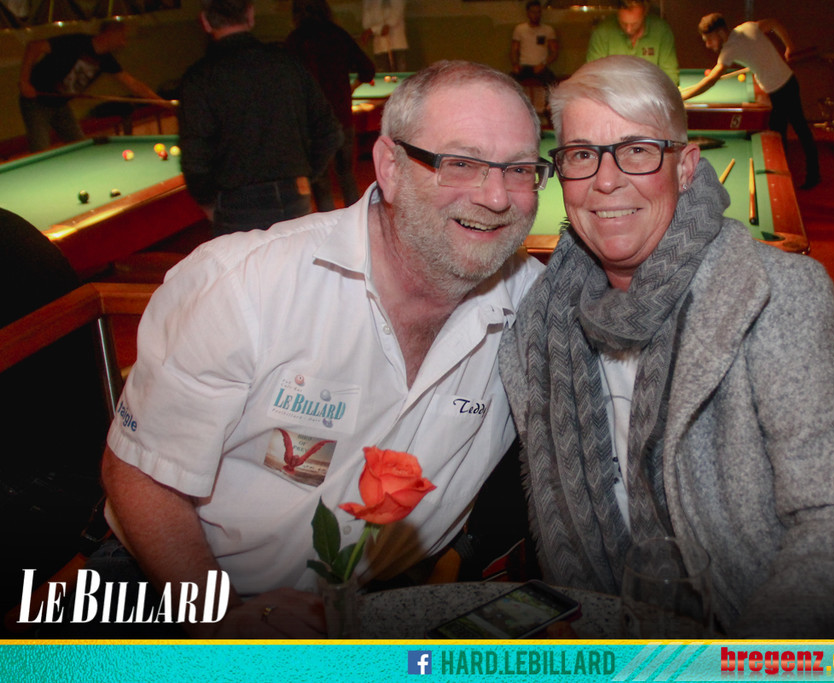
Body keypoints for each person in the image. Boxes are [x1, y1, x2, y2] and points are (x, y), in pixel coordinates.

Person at [498, 55, 834, 639]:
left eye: (637, 150)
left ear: (685, 167)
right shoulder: (540, 320)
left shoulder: (777, 295)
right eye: (581, 154)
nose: (605, 180)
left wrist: (746, 664)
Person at [98, 60, 547, 638]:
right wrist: (225, 622)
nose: (497, 196)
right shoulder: (244, 285)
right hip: (177, 586)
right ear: (389, 167)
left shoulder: (539, 311)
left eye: (520, 170)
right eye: (460, 163)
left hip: (368, 609)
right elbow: (140, 477)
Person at [177, 0, 340, 236]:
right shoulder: (288, 64)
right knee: (297, 260)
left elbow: (195, 157)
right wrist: (305, 173)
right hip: (293, 194)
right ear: (251, 15)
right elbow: (330, 131)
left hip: (235, 204)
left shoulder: (198, 79)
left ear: (205, 22)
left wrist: (208, 204)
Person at [683, 14, 820, 189]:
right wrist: (789, 46)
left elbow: (711, 80)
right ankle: (804, 175)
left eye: (709, 40)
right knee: (793, 130)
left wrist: (684, 97)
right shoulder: (747, 27)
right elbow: (774, 23)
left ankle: (795, 180)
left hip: (780, 90)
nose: (708, 45)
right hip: (789, 82)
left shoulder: (729, 49)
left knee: (783, 133)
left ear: (720, 32)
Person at [18, 21, 167, 152]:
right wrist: (25, 82)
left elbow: (134, 85)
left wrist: (163, 103)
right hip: (36, 101)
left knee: (80, 146)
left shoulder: (106, 60)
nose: (123, 43)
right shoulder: (76, 42)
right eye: (122, 37)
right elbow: (34, 46)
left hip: (60, 104)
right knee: (40, 148)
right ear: (110, 33)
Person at [286, 0, 376, 209]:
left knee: (321, 182)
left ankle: (327, 226)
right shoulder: (338, 34)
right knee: (347, 175)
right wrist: (351, 88)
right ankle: (357, 222)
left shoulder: (295, 40)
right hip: (341, 117)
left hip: (313, 123)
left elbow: (287, 81)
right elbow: (367, 70)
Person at [586, 0, 678, 84]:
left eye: (634, 24)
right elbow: (592, 77)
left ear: (645, 13)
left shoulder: (661, 31)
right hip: (613, 94)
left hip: (650, 94)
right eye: (624, 24)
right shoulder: (602, 32)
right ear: (617, 14)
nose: (628, 30)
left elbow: (670, 77)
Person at [510, 0, 559, 88]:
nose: (536, 15)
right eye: (533, 12)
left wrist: (543, 64)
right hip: (524, 66)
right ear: (528, 13)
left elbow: (554, 52)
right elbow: (514, 50)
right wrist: (515, 65)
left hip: (541, 66)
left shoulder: (548, 30)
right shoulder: (520, 29)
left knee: (553, 84)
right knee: (510, 82)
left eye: (538, 12)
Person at [361, 0, 408, 72]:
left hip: (396, 45)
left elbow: (395, 14)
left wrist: (372, 29)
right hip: (379, 47)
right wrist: (370, 30)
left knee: (400, 74)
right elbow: (366, 22)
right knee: (383, 73)